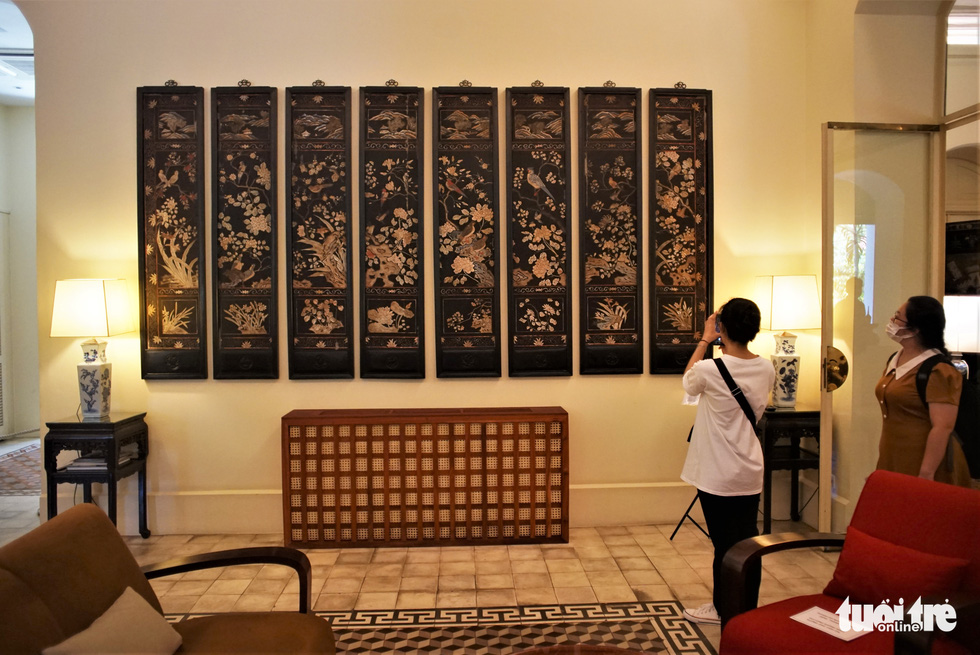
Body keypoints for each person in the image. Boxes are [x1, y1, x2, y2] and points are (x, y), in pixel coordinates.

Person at [679, 298, 775, 626]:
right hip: (749, 468)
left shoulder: (710, 369)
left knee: (724, 545)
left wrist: (706, 339)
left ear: (723, 328)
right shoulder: (766, 367)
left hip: (717, 472)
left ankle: (725, 611)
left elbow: (688, 380)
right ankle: (744, 608)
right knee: (747, 541)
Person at [875, 296, 970, 486]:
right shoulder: (895, 359)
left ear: (915, 329)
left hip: (924, 462)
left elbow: (942, 427)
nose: (891, 322)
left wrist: (926, 474)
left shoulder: (939, 371)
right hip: (892, 455)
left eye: (897, 318)